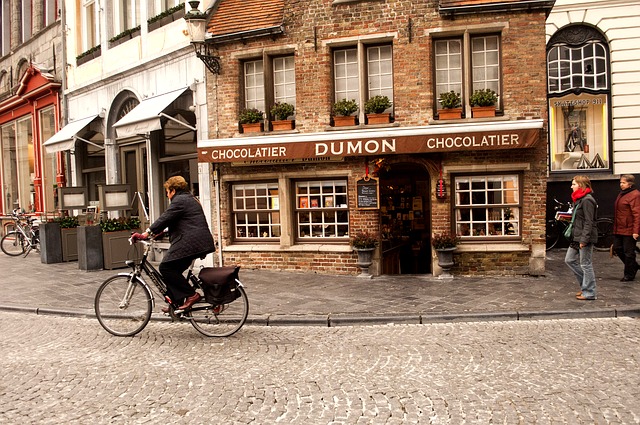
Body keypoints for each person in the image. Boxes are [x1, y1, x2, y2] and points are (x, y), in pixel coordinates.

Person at [133, 176, 215, 311]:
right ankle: (175, 303)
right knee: (173, 271)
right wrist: (161, 233)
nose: (167, 195)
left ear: (173, 190)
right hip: (198, 242)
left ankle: (191, 295)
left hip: (191, 243)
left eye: (167, 191)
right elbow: (181, 222)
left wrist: (146, 234)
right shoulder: (190, 198)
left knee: (166, 268)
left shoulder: (180, 200)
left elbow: (165, 218)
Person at [565, 175, 599, 301]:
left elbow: (589, 222)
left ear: (580, 185)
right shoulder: (579, 199)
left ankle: (590, 292)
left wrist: (584, 240)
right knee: (569, 260)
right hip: (576, 236)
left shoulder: (587, 200)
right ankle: (585, 286)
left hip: (584, 237)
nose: (571, 186)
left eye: (573, 184)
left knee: (586, 264)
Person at [612, 174, 640, 281]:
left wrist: (635, 231)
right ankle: (633, 266)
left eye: (623, 183)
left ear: (630, 184)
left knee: (629, 252)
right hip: (619, 227)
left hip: (629, 228)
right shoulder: (622, 194)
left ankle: (629, 274)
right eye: (620, 182)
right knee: (617, 248)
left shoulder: (635, 195)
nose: (621, 185)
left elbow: (637, 214)